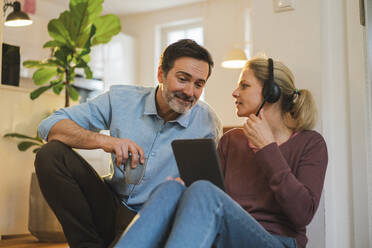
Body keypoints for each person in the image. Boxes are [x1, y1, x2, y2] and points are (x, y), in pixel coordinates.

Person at [114, 56, 328, 248]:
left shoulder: (310, 143)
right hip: (225, 233)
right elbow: (211, 196)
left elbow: (302, 214)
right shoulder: (231, 140)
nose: (235, 93)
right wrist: (184, 187)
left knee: (204, 191)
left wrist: (268, 149)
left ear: (272, 93)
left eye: (244, 86)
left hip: (276, 240)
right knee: (171, 187)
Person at [34, 39, 222, 248]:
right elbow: (49, 125)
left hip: (158, 220)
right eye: (183, 79)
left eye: (199, 84)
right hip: (111, 206)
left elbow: (207, 192)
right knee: (50, 155)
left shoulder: (207, 123)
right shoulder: (122, 99)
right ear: (161, 74)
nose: (189, 92)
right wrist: (104, 140)